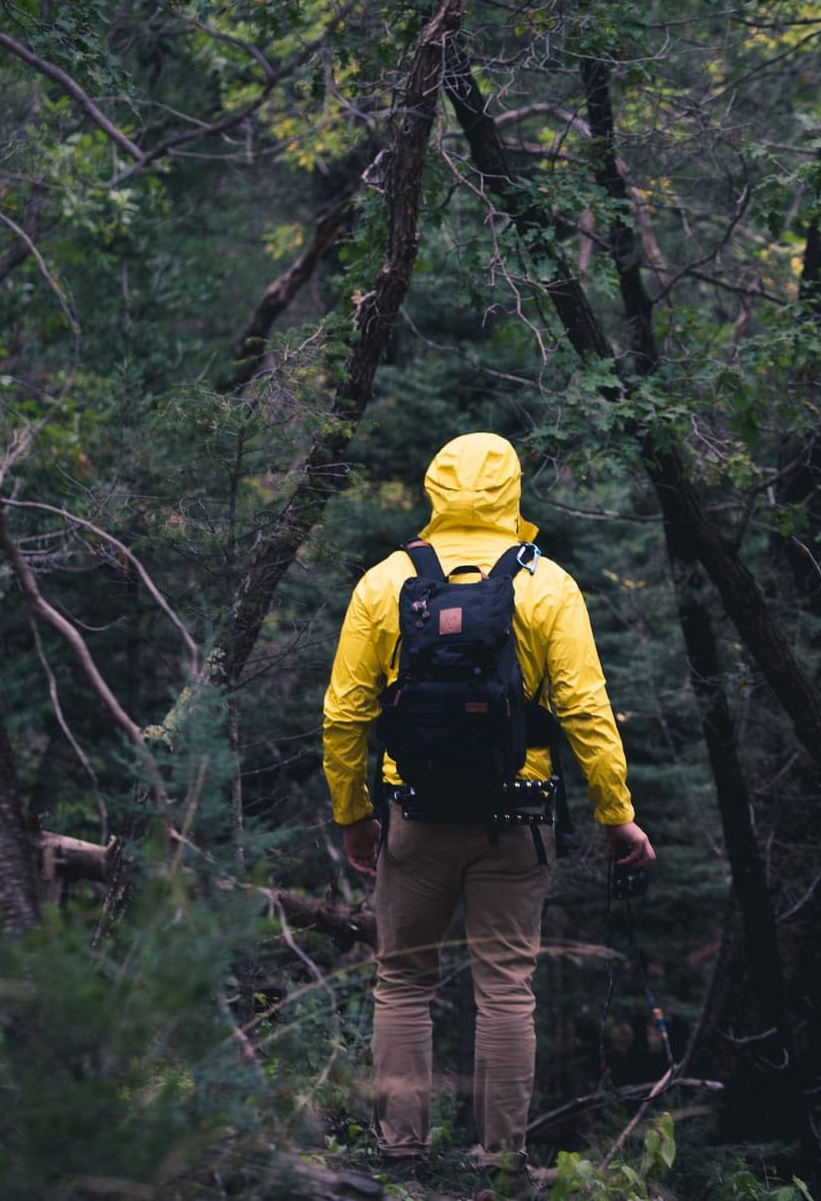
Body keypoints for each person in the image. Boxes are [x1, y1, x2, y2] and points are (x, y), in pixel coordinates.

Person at [322, 432, 655, 1189]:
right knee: (505, 985)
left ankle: (402, 1157)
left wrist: (354, 814)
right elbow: (586, 710)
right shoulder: (548, 585)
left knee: (403, 982)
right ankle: (501, 1163)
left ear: (434, 487)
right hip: (520, 816)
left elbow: (344, 715)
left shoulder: (387, 581)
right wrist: (617, 813)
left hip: (416, 813)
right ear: (512, 491)